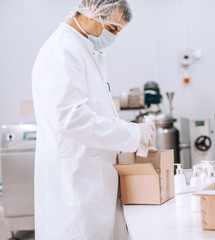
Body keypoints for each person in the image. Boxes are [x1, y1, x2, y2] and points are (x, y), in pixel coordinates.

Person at [31, 0, 155, 239]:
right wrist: (132, 134)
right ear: (92, 13)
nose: (113, 38)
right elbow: (70, 118)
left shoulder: (81, 49)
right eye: (112, 29)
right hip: (76, 193)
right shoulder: (61, 50)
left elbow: (95, 113)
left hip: (90, 187)